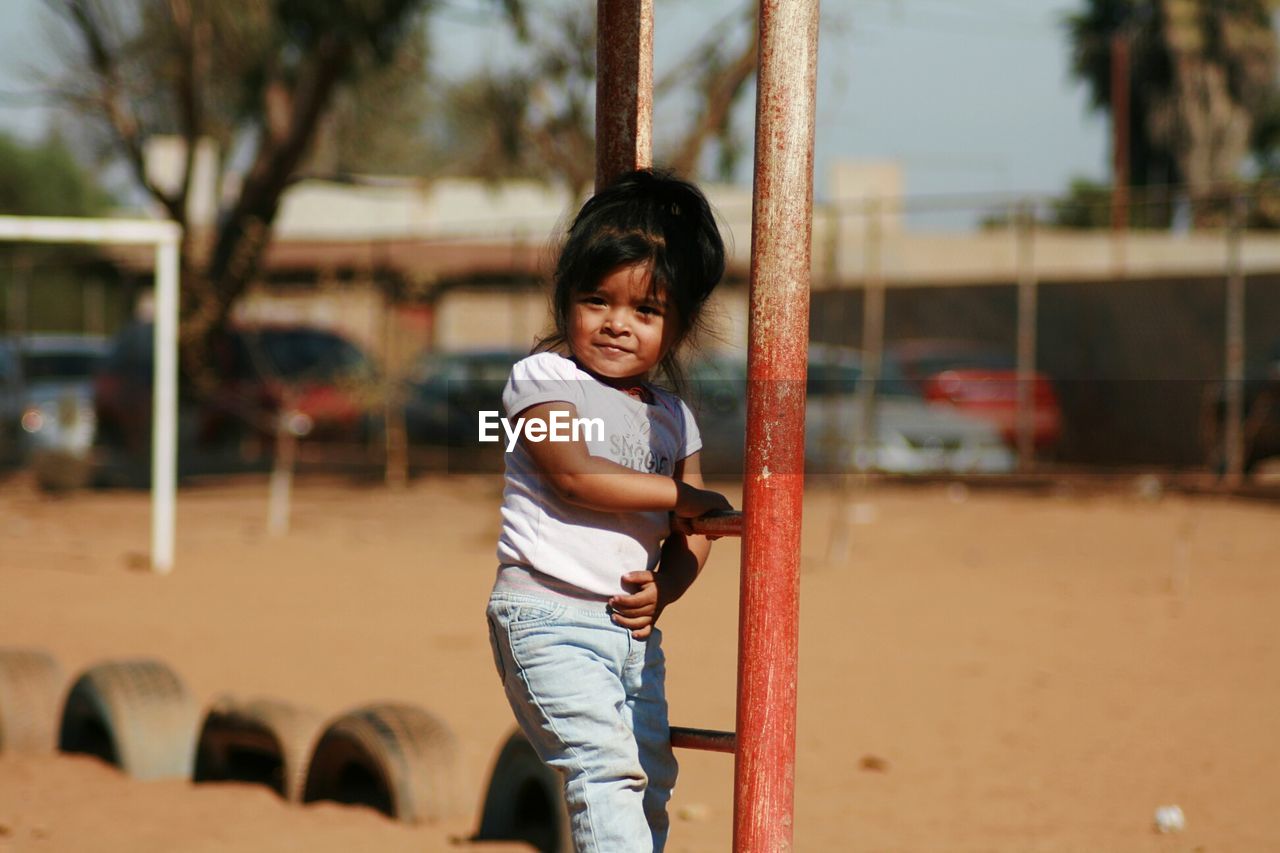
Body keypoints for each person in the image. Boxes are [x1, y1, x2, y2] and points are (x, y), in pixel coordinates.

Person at [485, 168, 734, 852]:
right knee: (604, 771)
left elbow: (698, 532)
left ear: (676, 327)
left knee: (650, 778)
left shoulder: (673, 419)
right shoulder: (541, 380)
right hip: (549, 619)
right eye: (597, 301)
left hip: (631, 635)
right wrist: (680, 496)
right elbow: (574, 476)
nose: (617, 323)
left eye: (645, 311)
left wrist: (669, 586)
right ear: (566, 300)